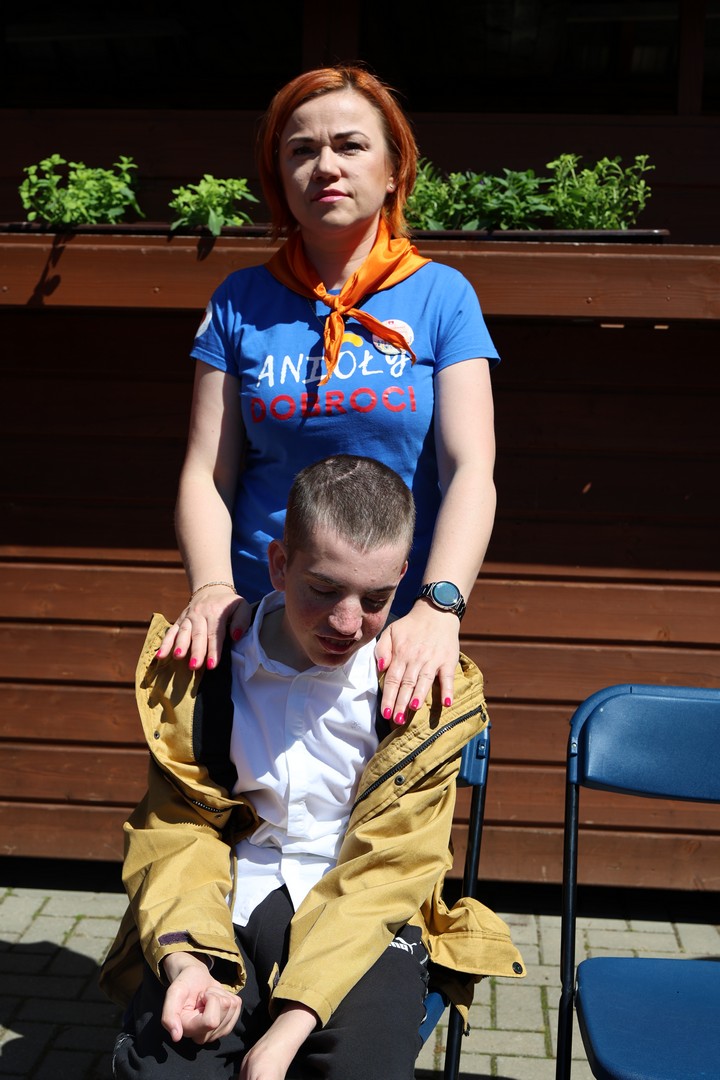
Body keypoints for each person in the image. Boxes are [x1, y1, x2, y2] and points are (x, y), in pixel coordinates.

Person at [100, 455, 524, 1080]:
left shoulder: (421, 691)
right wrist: (187, 961)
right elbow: (175, 831)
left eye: (376, 599)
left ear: (404, 576)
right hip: (228, 894)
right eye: (323, 590)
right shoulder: (207, 672)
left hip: (365, 910)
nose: (347, 624)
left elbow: (396, 865)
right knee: (164, 1062)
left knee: (361, 1066)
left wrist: (290, 1026)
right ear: (279, 564)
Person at [155, 63, 500, 726]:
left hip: (396, 643)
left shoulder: (443, 297)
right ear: (279, 175)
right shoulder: (238, 303)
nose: (325, 166)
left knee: (394, 801)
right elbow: (206, 473)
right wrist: (212, 589)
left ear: (394, 169)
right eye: (301, 150)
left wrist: (438, 608)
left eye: (350, 145)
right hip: (257, 633)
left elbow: (471, 470)